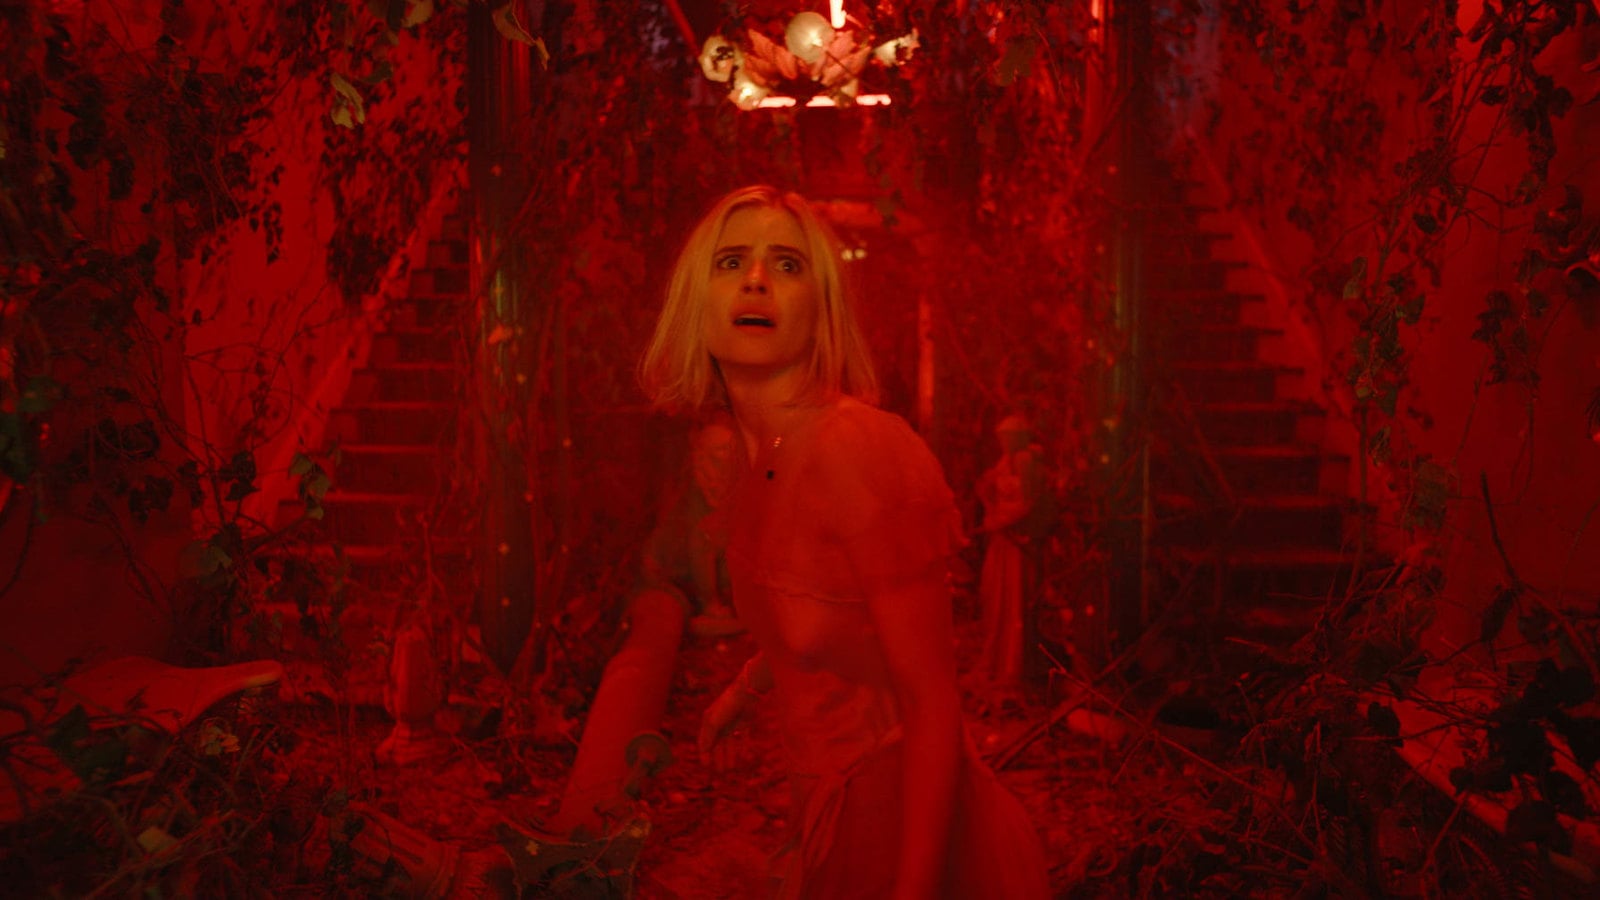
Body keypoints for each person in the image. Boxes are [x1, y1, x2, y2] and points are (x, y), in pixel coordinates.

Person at [639, 185, 1050, 899]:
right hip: (826, 805)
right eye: (731, 261)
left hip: (893, 810)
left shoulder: (857, 450)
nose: (757, 280)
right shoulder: (760, 453)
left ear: (822, 308)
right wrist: (742, 691)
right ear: (694, 298)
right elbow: (826, 614)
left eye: (787, 265)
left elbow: (932, 703)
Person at [975, 413, 1046, 690]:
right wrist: (989, 502)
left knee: (1013, 599)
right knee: (996, 597)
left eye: (1007, 437)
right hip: (1002, 539)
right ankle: (996, 659)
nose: (1002, 442)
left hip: (1017, 540)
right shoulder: (1005, 461)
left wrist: (1002, 520)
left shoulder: (1025, 460)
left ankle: (1012, 664)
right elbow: (990, 489)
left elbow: (1029, 502)